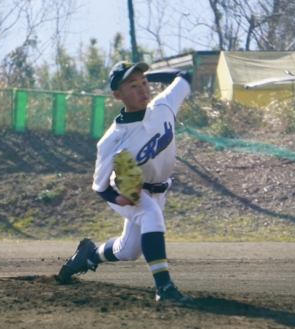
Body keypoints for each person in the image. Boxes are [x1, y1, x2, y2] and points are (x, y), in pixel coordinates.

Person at [56, 61, 193, 303]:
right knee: (151, 215)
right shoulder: (112, 140)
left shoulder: (164, 104)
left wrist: (145, 75)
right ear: (117, 95)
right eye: (133, 86)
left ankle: (88, 255)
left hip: (160, 189)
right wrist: (119, 198)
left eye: (144, 83)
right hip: (129, 192)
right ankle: (164, 288)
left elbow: (185, 75)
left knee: (129, 250)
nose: (143, 89)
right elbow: (100, 187)